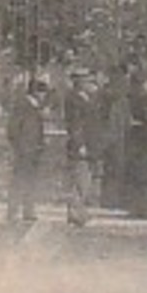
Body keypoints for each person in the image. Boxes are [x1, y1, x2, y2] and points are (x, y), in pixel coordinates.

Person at [5, 78, 50, 224]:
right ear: (35, 92)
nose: (44, 96)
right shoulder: (23, 105)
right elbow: (12, 129)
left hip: (34, 150)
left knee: (30, 180)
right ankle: (13, 210)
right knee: (19, 180)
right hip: (25, 150)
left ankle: (28, 210)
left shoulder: (35, 107)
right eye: (42, 92)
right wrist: (19, 147)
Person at [62, 68, 102, 226]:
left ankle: (78, 210)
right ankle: (75, 212)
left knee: (85, 178)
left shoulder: (86, 97)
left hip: (89, 143)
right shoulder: (74, 99)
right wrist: (80, 144)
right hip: (81, 144)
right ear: (79, 82)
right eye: (86, 80)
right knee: (81, 178)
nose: (90, 83)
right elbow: (75, 124)